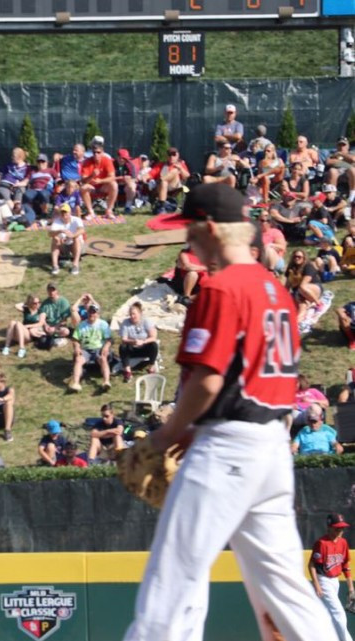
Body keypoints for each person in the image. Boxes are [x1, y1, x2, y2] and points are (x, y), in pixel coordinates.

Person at [122, 183, 334, 641]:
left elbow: (209, 380)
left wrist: (166, 435)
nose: (187, 240)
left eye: (191, 229)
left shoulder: (220, 288)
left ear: (211, 228)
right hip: (272, 450)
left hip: (228, 448)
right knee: (286, 589)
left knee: (172, 580)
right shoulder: (276, 291)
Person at [309, 513, 355, 641]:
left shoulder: (343, 543)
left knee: (329, 616)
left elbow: (345, 565)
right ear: (329, 528)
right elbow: (312, 564)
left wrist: (351, 588)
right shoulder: (322, 543)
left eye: (342, 528)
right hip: (323, 580)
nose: (340, 531)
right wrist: (317, 585)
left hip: (335, 581)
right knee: (338, 613)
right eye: (337, 528)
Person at [69, 304, 112, 392]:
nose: (91, 314)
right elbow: (75, 339)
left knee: (103, 359)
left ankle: (106, 381)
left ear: (97, 314)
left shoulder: (103, 324)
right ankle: (76, 383)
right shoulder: (81, 325)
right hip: (86, 349)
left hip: (99, 348)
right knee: (78, 360)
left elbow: (109, 339)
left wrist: (106, 347)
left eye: (94, 312)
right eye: (90, 312)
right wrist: (77, 347)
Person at [118, 302, 159, 382]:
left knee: (154, 345)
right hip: (132, 348)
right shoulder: (125, 323)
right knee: (122, 347)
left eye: (134, 314)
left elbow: (153, 337)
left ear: (140, 313)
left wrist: (143, 341)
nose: (132, 316)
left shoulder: (146, 321)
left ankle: (151, 367)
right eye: (130, 314)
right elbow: (124, 339)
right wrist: (133, 341)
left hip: (145, 347)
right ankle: (128, 371)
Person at [80, 136, 119, 217]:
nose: (96, 154)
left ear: (102, 152)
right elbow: (83, 181)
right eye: (94, 152)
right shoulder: (87, 162)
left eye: (98, 152)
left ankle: (109, 211)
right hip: (92, 187)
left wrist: (100, 181)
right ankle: (91, 212)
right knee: (83, 187)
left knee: (114, 185)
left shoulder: (107, 160)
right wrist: (92, 176)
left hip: (103, 187)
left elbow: (112, 177)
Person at [4, 294, 46, 358]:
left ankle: (22, 348)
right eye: (35, 303)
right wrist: (26, 303)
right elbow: (16, 305)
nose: (37, 304)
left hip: (30, 333)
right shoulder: (26, 309)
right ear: (30, 303)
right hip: (21, 332)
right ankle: (6, 347)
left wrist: (28, 326)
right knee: (12, 322)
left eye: (39, 302)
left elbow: (41, 323)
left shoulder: (41, 311)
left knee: (18, 324)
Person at [49, 203, 85, 275]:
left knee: (76, 238)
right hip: (64, 246)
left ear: (70, 212)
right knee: (55, 239)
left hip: (77, 245)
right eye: (62, 212)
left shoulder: (76, 220)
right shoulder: (57, 221)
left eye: (66, 212)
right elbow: (50, 234)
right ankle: (55, 265)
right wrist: (60, 231)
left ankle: (75, 264)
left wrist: (72, 235)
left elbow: (82, 230)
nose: (64, 215)